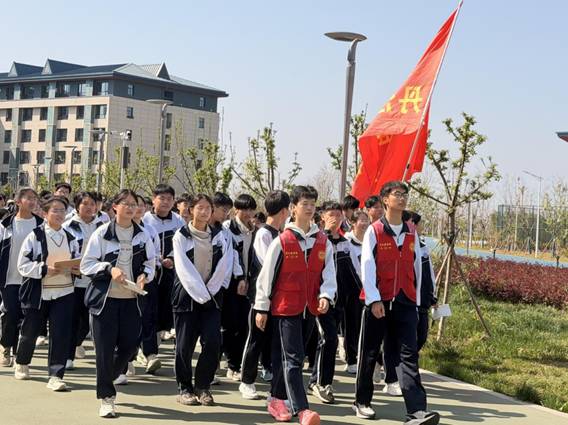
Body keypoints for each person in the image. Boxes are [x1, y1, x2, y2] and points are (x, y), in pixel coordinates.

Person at [353, 181, 439, 425]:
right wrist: (374, 299)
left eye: (404, 194)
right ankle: (362, 402)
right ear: (385, 199)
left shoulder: (411, 231)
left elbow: (417, 267)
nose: (402, 198)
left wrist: (417, 300)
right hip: (379, 303)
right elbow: (367, 266)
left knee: (408, 355)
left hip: (405, 301)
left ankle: (417, 410)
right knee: (369, 353)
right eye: (397, 194)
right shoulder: (375, 231)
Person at [255, 185, 337, 425]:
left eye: (313, 204)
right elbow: (266, 277)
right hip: (285, 308)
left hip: (310, 308)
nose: (309, 208)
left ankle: (277, 398)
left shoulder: (323, 241)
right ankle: (302, 409)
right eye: (305, 204)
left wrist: (326, 295)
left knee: (286, 357)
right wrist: (261, 308)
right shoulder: (282, 240)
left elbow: (329, 274)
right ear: (293, 208)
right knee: (294, 358)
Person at [81, 189, 156, 418]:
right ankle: (107, 398)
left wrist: (145, 275)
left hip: (132, 300)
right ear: (115, 206)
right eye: (127, 204)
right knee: (104, 351)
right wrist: (108, 269)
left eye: (135, 204)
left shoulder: (143, 234)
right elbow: (86, 264)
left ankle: (107, 376)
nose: (132, 208)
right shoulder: (102, 233)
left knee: (130, 346)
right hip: (106, 301)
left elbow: (151, 262)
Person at [15, 196, 80, 392]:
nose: (60, 214)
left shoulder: (70, 237)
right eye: (55, 210)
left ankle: (56, 375)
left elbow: (77, 260)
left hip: (64, 291)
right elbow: (22, 265)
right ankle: (22, 362)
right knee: (30, 331)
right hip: (39, 293)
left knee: (60, 334)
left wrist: (76, 269)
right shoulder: (35, 236)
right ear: (45, 213)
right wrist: (43, 269)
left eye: (63, 210)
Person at [172, 194, 231, 407]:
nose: (204, 212)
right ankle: (185, 388)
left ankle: (203, 386)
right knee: (184, 345)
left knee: (213, 342)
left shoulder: (220, 236)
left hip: (212, 298)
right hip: (186, 297)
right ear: (191, 210)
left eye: (208, 208)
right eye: (200, 208)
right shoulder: (181, 236)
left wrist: (211, 291)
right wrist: (200, 293)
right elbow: (184, 269)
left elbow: (225, 264)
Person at [240, 190, 290, 400]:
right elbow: (268, 264)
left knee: (272, 339)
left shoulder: (282, 233)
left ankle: (268, 370)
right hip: (261, 297)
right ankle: (246, 381)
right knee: (256, 338)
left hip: (278, 297)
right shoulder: (264, 234)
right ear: (285, 211)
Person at [0, 188, 43, 367]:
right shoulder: (6, 224)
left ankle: (20, 354)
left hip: (32, 279)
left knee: (27, 318)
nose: (33, 202)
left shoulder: (41, 224)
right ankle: (6, 346)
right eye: (28, 198)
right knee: (11, 314)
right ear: (18, 202)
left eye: (35, 198)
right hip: (10, 278)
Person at [62, 192, 105, 369]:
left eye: (92, 204)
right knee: (73, 319)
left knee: (89, 321)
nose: (89, 207)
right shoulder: (68, 226)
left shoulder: (103, 226)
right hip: (75, 281)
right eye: (85, 204)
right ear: (77, 205)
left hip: (96, 281)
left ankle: (77, 343)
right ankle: (67, 356)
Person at [143, 184, 185, 352]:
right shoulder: (145, 220)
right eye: (162, 198)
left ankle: (162, 335)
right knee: (149, 308)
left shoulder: (178, 220)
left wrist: (172, 258)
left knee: (167, 305)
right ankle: (147, 348)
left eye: (169, 199)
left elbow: (184, 243)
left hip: (171, 271)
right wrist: (157, 259)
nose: (166, 202)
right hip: (150, 270)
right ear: (153, 200)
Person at [222, 194, 256, 380]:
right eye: (245, 209)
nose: (248, 213)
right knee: (230, 324)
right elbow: (232, 256)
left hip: (248, 282)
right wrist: (240, 277)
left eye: (251, 209)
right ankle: (230, 363)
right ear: (236, 210)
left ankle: (236, 363)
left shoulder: (253, 230)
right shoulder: (228, 228)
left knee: (244, 325)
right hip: (232, 282)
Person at [132, 193, 161, 378]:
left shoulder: (150, 230)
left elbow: (155, 255)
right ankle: (128, 358)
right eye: (134, 204)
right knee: (130, 320)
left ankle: (150, 354)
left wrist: (148, 273)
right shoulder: (113, 230)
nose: (138, 208)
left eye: (142, 205)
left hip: (146, 281)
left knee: (147, 317)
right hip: (123, 282)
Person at [343, 210, 370, 374]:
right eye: (361, 220)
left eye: (366, 220)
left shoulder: (370, 240)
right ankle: (351, 358)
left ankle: (364, 357)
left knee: (365, 324)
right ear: (353, 223)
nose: (365, 223)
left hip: (368, 289)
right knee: (352, 325)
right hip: (352, 290)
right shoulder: (347, 241)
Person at [408, 211, 437, 352]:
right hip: (411, 299)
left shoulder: (423, 246)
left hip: (424, 299)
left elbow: (429, 273)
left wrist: (433, 295)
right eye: (421, 223)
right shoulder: (407, 247)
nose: (422, 226)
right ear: (413, 224)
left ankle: (407, 359)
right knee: (408, 337)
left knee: (422, 336)